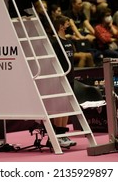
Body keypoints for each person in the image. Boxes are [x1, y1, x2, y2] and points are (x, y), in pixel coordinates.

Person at [50, 15, 77, 148]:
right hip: (60, 78)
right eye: (67, 24)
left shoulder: (69, 41)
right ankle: (57, 135)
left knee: (66, 107)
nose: (70, 26)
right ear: (61, 26)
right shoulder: (55, 43)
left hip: (70, 77)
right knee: (59, 107)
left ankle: (63, 135)